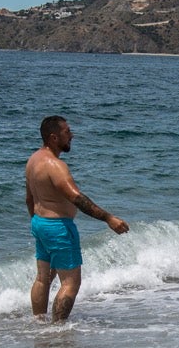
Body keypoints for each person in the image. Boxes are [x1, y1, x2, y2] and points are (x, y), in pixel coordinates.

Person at [24, 114, 129, 322]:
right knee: (71, 282)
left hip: (39, 223)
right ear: (54, 137)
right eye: (67, 131)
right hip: (58, 227)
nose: (72, 135)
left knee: (43, 278)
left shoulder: (33, 159)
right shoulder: (55, 165)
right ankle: (58, 330)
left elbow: (29, 198)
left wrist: (39, 224)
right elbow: (77, 198)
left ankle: (38, 324)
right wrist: (108, 218)